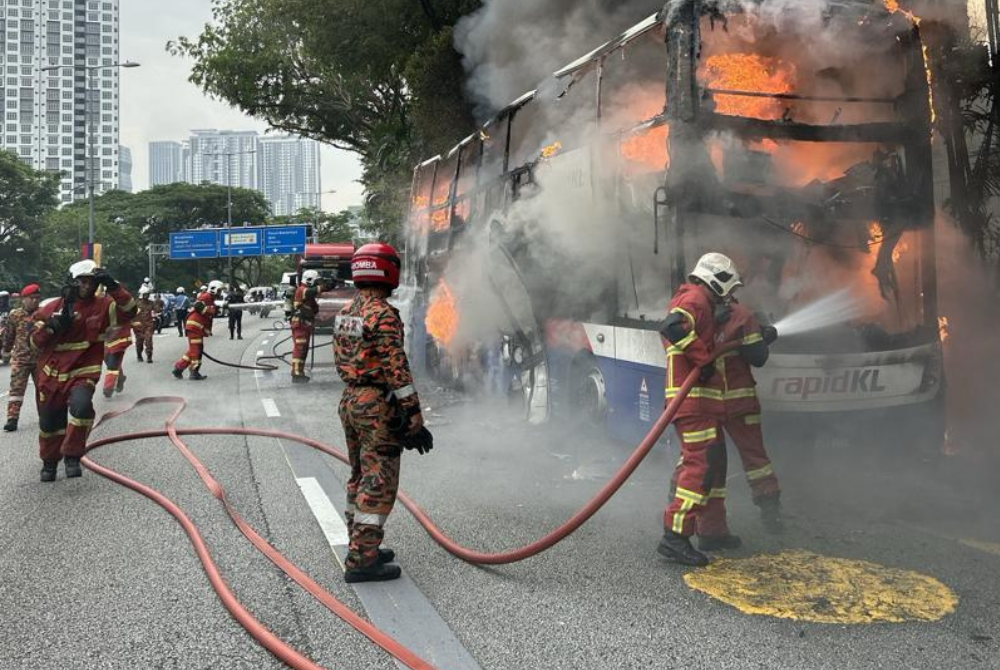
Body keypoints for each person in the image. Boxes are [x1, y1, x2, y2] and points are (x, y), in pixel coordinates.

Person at [334, 243, 427, 583]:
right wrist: (413, 414)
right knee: (379, 479)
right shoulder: (382, 314)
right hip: (375, 404)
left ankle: (360, 544)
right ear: (388, 271)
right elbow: (396, 367)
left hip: (350, 400)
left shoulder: (347, 311)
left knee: (360, 473)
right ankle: (362, 559)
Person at [657, 252, 742, 567]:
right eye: (729, 288)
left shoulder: (701, 304)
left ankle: (713, 531)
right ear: (715, 280)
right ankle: (674, 537)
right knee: (701, 466)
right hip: (691, 402)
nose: (731, 296)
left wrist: (712, 324)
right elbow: (672, 326)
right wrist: (703, 359)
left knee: (714, 463)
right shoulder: (694, 298)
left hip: (702, 402)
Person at [31, 260, 135, 482]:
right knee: (50, 423)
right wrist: (52, 326)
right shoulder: (52, 308)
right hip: (51, 375)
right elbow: (33, 343)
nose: (86, 287)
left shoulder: (104, 305)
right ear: (71, 283)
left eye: (91, 282)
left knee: (81, 408)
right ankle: (49, 463)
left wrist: (114, 286)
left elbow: (129, 311)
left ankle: (72, 456)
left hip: (83, 371)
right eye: (82, 282)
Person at [2, 284, 42, 432]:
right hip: (21, 359)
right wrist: (6, 351)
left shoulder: (43, 314)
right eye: (32, 298)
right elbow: (9, 335)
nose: (35, 301)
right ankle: (12, 419)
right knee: (16, 391)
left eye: (37, 298)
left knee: (44, 389)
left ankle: (45, 416)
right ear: (24, 299)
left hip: (40, 359)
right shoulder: (15, 315)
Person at [172, 280, 222, 381]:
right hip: (195, 327)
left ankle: (179, 368)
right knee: (196, 350)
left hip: (196, 327)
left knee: (194, 349)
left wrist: (216, 308)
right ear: (214, 289)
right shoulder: (206, 296)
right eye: (219, 290)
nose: (220, 293)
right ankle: (194, 371)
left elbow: (209, 311)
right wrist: (211, 309)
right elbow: (198, 305)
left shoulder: (211, 298)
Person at [291, 270, 322, 383]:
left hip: (305, 324)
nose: (317, 284)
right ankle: (296, 374)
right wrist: (324, 287)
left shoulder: (308, 293)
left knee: (304, 348)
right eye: (316, 281)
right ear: (309, 280)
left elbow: (314, 307)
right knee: (300, 347)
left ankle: (300, 372)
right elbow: (312, 291)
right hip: (300, 323)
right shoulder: (302, 289)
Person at [102, 290, 134, 399]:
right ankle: (120, 378)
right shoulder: (103, 303)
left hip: (120, 339)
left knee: (113, 363)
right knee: (107, 359)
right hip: (107, 339)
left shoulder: (122, 304)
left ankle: (108, 388)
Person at [132, 287, 156, 363]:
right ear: (142, 295)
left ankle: (149, 356)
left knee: (149, 340)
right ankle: (139, 355)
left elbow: (157, 309)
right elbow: (131, 314)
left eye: (148, 294)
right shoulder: (135, 303)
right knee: (139, 342)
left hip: (148, 325)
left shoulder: (151, 303)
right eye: (145, 294)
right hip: (138, 326)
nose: (147, 296)